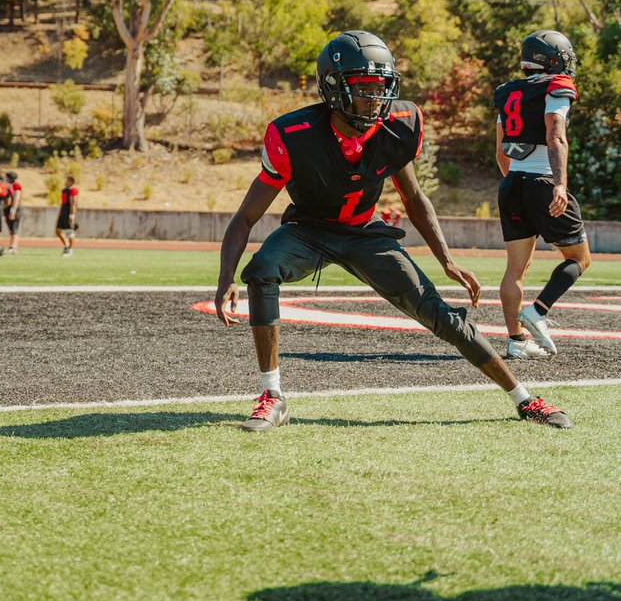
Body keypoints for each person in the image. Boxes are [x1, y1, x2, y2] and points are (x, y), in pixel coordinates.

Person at [215, 30, 572, 431]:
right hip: (309, 230)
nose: (375, 97)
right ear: (333, 89)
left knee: (440, 314)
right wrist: (226, 277)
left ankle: (524, 398)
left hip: (365, 232)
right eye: (364, 88)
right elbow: (245, 216)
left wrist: (447, 260)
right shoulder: (293, 134)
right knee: (263, 269)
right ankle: (273, 396)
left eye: (381, 86)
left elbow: (414, 197)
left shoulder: (399, 124)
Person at [495, 30, 591, 357]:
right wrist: (558, 184)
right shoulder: (557, 86)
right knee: (579, 258)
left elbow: (501, 152)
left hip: (512, 183)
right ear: (553, 60)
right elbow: (556, 136)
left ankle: (516, 342)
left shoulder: (507, 92)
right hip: (543, 181)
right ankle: (538, 311)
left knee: (515, 270)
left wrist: (517, 186)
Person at [56, 175, 79, 256]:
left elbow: (73, 204)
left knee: (70, 231)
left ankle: (70, 249)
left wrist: (72, 216)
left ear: (71, 182)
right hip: (63, 212)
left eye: (67, 181)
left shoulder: (73, 191)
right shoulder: (64, 190)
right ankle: (67, 245)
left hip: (68, 212)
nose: (65, 182)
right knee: (58, 230)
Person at [5, 170, 23, 253]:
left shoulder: (16, 185)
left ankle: (13, 247)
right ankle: (11, 246)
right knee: (11, 229)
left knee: (14, 228)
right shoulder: (10, 185)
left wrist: (13, 210)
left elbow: (17, 198)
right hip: (10, 208)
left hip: (14, 209)